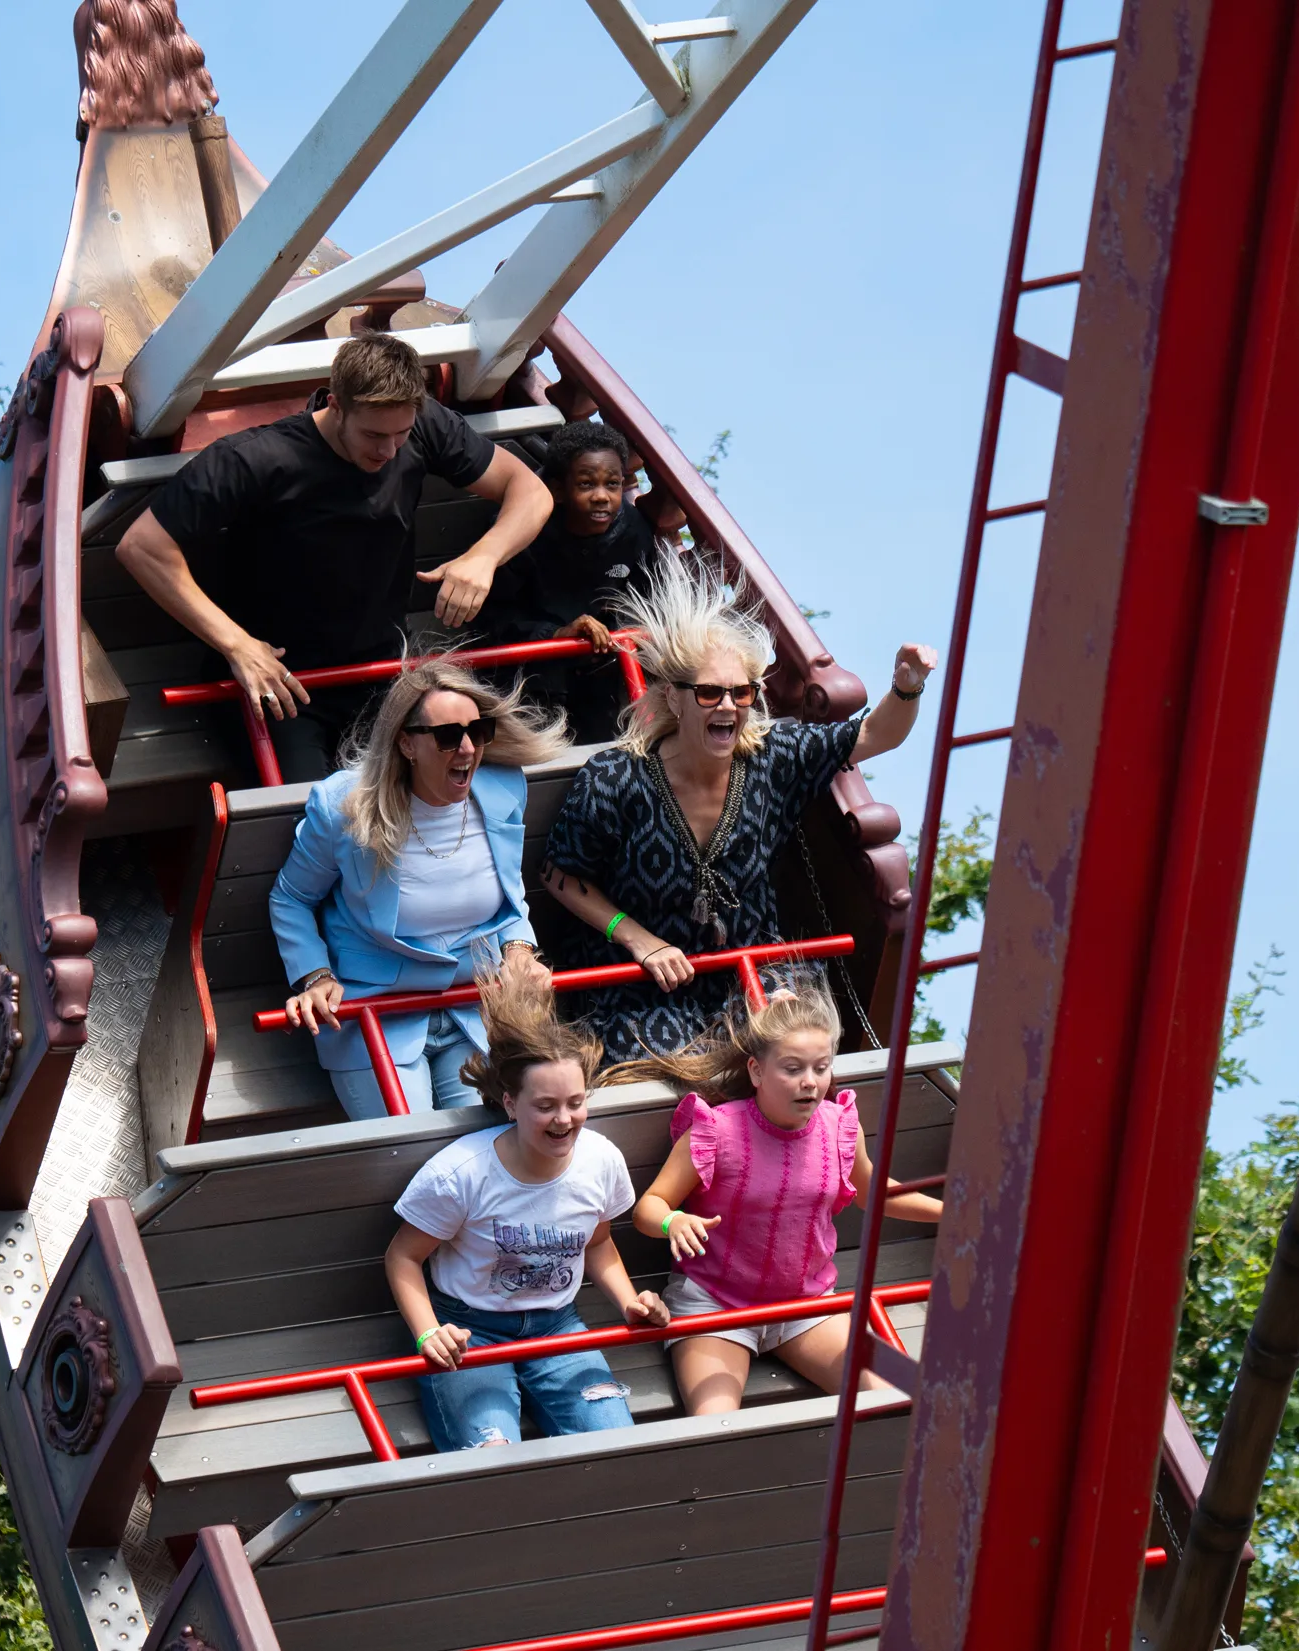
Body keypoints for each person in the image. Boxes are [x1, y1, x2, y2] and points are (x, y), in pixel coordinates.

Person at [538, 553, 940, 1062]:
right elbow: (559, 875)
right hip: (642, 981)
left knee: (795, 1045)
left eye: (741, 692)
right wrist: (638, 939)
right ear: (674, 698)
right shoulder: (616, 778)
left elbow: (874, 735)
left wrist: (907, 687)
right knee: (674, 1064)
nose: (728, 705)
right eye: (709, 693)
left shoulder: (773, 758)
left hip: (748, 966)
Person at [114, 332, 555, 781]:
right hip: (281, 681)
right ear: (336, 405)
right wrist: (236, 645)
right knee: (315, 808)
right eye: (373, 435)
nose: (388, 451)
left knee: (443, 783)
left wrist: (484, 557)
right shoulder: (254, 458)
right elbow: (142, 545)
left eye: (401, 434)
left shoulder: (425, 424)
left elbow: (531, 492)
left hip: (380, 670)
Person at [614, 986, 942, 1415]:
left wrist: (950, 1214)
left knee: (905, 1396)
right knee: (716, 1424)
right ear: (756, 1071)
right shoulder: (716, 1130)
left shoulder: (839, 1125)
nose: (811, 1082)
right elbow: (649, 1207)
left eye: (821, 1067)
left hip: (807, 1306)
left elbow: (874, 1193)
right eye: (793, 1068)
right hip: (716, 1304)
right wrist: (671, 1221)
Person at [385, 970, 671, 1451]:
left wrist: (629, 1303)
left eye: (575, 1103)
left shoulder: (600, 1160)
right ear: (510, 1104)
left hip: (557, 1323)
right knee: (491, 1451)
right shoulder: (461, 1173)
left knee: (615, 1444)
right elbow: (403, 1257)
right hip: (469, 1328)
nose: (564, 1119)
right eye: (546, 1106)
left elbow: (598, 1243)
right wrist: (428, 1333)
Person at [270, 660, 570, 1118]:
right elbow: (291, 898)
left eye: (478, 731)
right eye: (448, 736)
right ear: (406, 743)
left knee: (486, 1142)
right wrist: (316, 976)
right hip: (377, 1013)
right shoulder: (344, 806)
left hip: (476, 1009)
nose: (467, 748)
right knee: (409, 1146)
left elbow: (510, 897)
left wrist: (518, 951)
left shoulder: (503, 787)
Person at [480, 419, 667, 742]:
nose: (602, 497)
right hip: (525, 678)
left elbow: (648, 606)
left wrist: (610, 635)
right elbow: (490, 618)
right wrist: (556, 635)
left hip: (600, 677)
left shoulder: (635, 533)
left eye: (612, 484)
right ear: (558, 490)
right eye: (586, 484)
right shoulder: (520, 530)